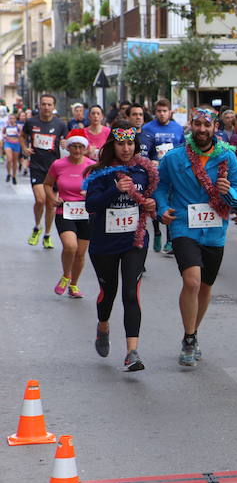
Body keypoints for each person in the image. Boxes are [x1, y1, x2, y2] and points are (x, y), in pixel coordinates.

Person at [155, 107, 237, 366]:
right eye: (197, 124)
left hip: (215, 229)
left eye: (207, 125)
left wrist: (231, 194)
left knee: (205, 286)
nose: (202, 129)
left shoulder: (227, 156)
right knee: (192, 282)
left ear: (215, 126)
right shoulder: (173, 158)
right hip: (184, 226)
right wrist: (162, 209)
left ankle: (192, 332)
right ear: (190, 126)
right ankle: (190, 337)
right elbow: (160, 187)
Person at [83, 122, 159, 371]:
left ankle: (132, 352)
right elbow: (91, 205)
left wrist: (151, 204)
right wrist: (114, 190)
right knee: (109, 293)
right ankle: (103, 325)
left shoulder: (143, 171)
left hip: (134, 242)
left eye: (130, 143)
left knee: (130, 293)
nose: (126, 149)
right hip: (104, 244)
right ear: (112, 145)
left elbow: (153, 198)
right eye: (121, 143)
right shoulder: (99, 173)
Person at [44, 129, 96, 297]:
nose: (78, 150)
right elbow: (47, 184)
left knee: (80, 253)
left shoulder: (91, 166)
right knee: (70, 246)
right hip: (64, 210)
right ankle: (66, 275)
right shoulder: (58, 164)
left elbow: (99, 187)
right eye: (74, 146)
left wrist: (91, 195)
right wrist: (52, 198)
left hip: (85, 212)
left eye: (81, 146)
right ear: (68, 147)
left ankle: (74, 285)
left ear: (86, 148)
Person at [21, 94, 68, 248]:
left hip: (53, 169)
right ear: (39, 106)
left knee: (50, 203)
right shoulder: (31, 122)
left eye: (49, 104)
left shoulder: (60, 125)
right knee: (40, 199)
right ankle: (37, 226)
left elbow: (66, 141)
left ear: (54, 107)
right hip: (36, 166)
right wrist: (24, 149)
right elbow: (22, 136)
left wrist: (64, 143)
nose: (46, 107)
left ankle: (47, 234)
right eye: (43, 104)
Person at [141, 99, 186, 253]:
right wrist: (150, 162)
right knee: (155, 202)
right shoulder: (147, 128)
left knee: (171, 202)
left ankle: (170, 239)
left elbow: (183, 149)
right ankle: (157, 233)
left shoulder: (178, 128)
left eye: (164, 111)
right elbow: (143, 150)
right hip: (153, 172)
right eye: (159, 111)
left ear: (170, 112)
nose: (161, 113)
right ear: (155, 112)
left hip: (173, 172)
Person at [4, 112, 21, 184]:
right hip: (8, 143)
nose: (11, 120)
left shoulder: (18, 127)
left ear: (15, 119)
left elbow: (22, 136)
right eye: (10, 118)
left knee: (14, 161)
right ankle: (8, 173)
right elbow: (3, 133)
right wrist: (4, 136)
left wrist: (18, 134)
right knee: (9, 159)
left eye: (13, 118)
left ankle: (14, 176)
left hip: (16, 144)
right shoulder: (6, 127)